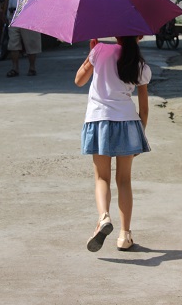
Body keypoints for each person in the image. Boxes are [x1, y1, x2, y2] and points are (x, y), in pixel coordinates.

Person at [75, 36, 151, 252]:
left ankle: (104, 217)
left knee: (102, 178)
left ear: (116, 35)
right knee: (124, 180)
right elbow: (144, 109)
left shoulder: (99, 51)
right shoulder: (140, 64)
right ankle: (124, 236)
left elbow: (79, 80)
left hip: (98, 120)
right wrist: (140, 135)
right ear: (140, 36)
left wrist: (90, 55)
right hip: (127, 122)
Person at [3, 0, 41, 77]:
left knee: (31, 43)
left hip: (29, 15)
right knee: (13, 44)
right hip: (13, 14)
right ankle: (15, 68)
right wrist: (4, 13)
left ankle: (32, 67)